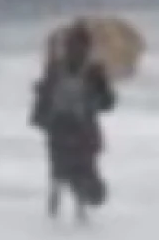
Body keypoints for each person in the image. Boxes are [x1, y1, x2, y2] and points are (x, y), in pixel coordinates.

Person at [29, 21, 116, 222]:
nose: (76, 50)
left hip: (81, 129)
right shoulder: (55, 69)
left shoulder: (93, 72)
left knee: (79, 171)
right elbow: (44, 95)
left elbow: (107, 103)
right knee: (60, 173)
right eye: (72, 46)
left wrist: (100, 88)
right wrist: (40, 114)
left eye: (80, 46)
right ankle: (56, 214)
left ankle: (79, 210)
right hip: (61, 127)